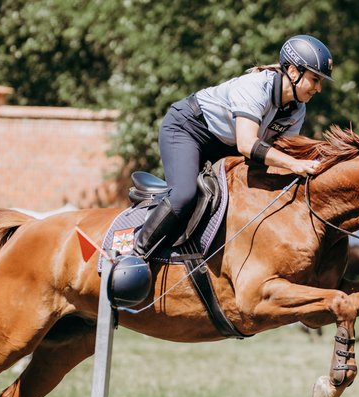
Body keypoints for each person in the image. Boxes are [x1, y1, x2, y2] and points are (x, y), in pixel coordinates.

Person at [133, 34, 334, 257]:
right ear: (294, 72)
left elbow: (281, 152)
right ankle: (136, 253)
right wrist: (295, 164)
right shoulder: (256, 87)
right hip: (188, 129)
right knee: (185, 195)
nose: (319, 88)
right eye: (315, 79)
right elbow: (248, 144)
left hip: (226, 144)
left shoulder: (298, 108)